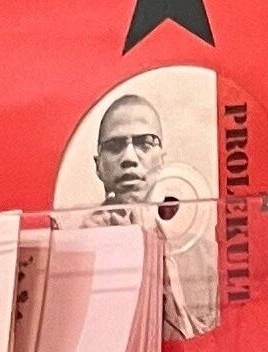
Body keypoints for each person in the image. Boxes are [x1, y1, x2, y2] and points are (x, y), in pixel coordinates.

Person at [86, 89, 220, 338]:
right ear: (98, 166)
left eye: (144, 143)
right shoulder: (77, 250)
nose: (129, 158)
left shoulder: (205, 256)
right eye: (115, 145)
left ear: (163, 161)